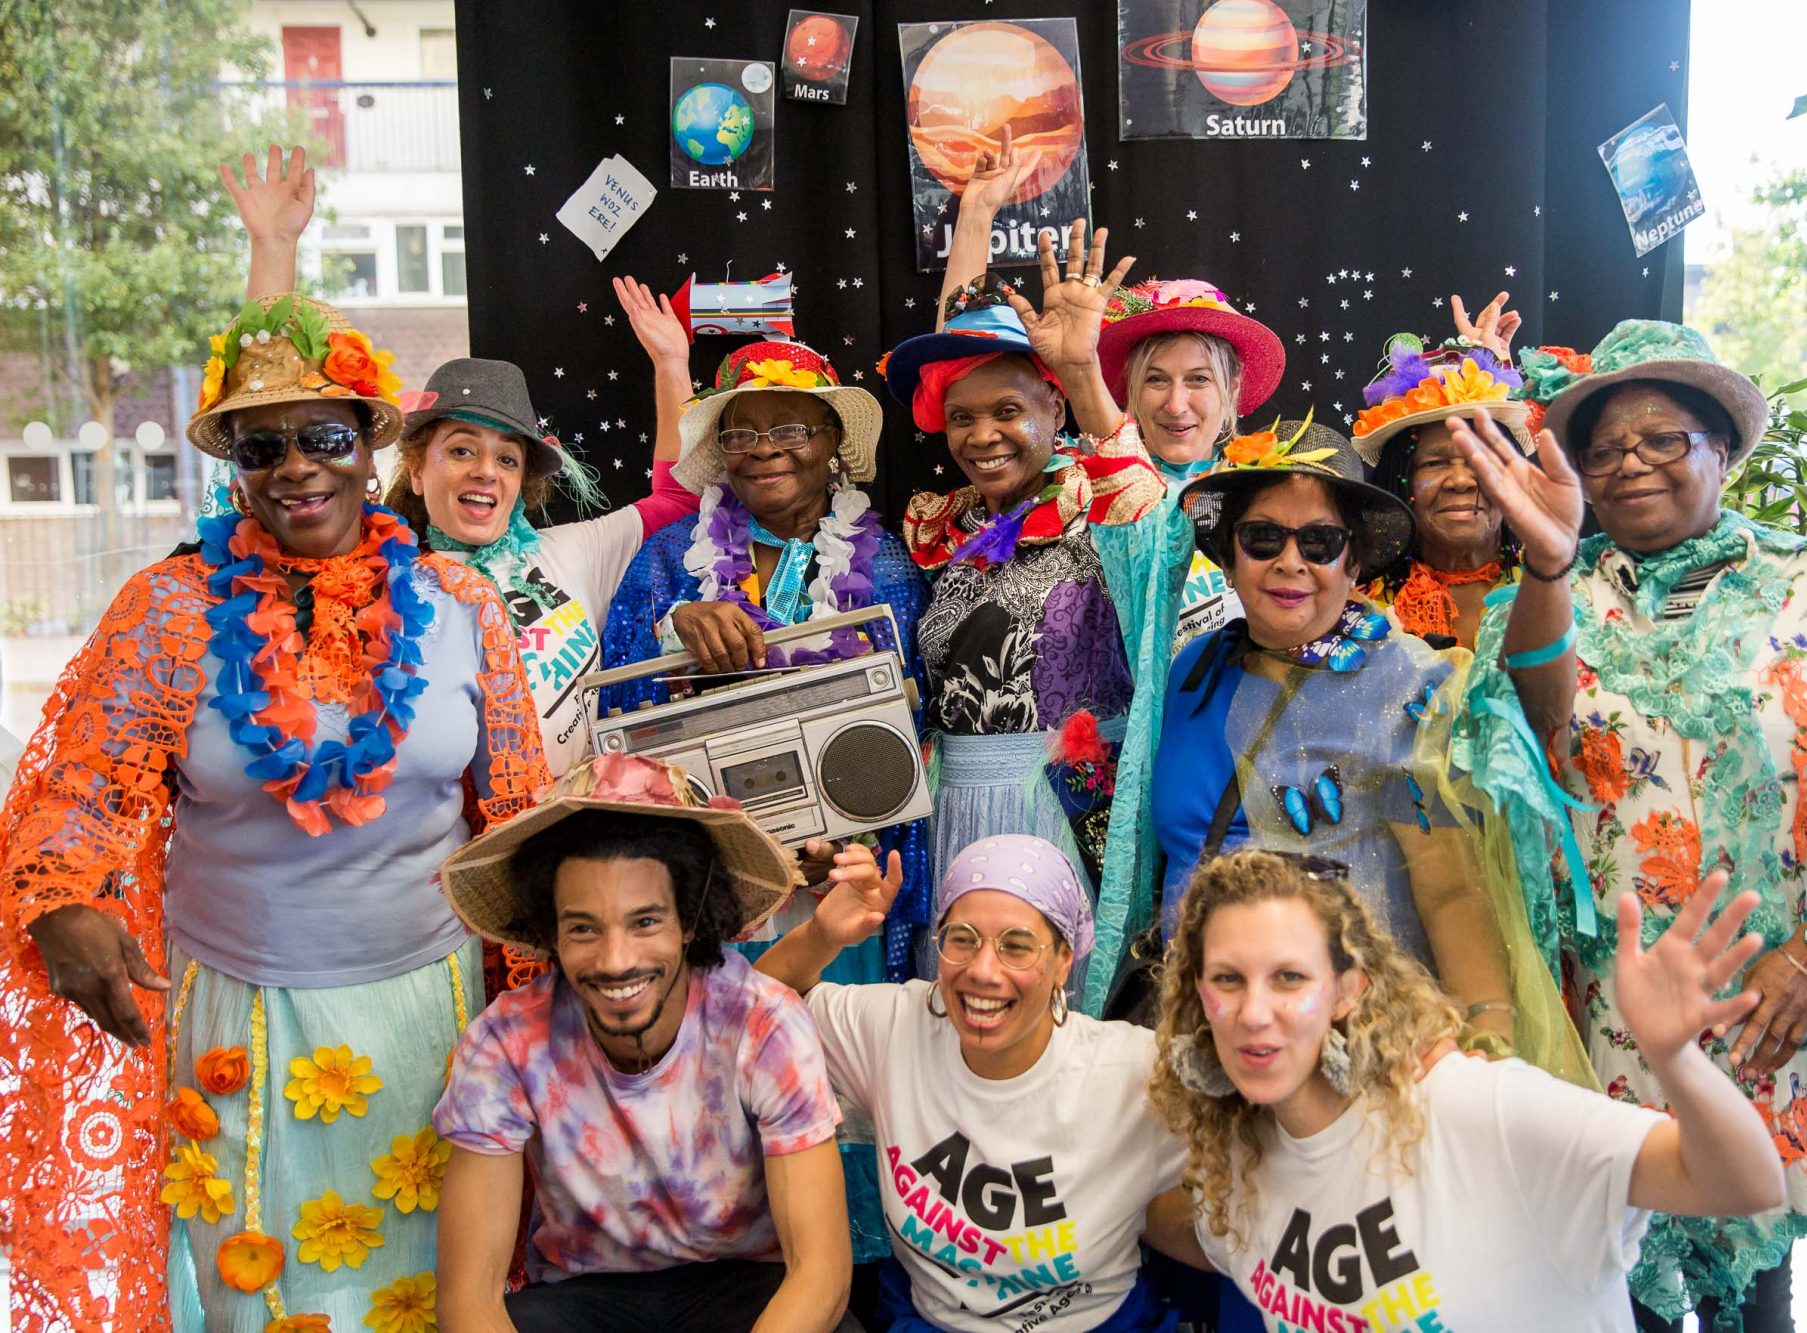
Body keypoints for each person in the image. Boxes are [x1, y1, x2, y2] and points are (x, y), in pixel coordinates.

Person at [0, 292, 551, 1330]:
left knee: (436, 1289)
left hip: (431, 1017)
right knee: (261, 1295)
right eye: (263, 448)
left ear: (369, 449)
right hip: (239, 1015)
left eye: (323, 438)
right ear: (238, 468)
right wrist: (60, 898)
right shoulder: (168, 608)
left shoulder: (460, 605)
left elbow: (515, 812)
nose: (294, 465)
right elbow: (79, 788)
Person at [1449, 320, 1807, 1330]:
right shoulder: (1553, 595)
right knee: (1624, 1258)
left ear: (1719, 450)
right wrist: (1549, 564)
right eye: (1603, 449)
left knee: (1756, 1278)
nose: (1628, 464)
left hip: (1773, 990)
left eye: (1659, 439)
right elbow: (1534, 724)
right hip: (1608, 1003)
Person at [1145, 849, 1787, 1333]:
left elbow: (1745, 1184)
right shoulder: (1241, 1164)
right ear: (1198, 995)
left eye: (1288, 977)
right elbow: (1193, 1229)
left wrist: (1676, 1061)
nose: (1254, 1012)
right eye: (1228, 979)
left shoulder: (1473, 1109)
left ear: (1349, 990)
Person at [225, 144, 702, 773]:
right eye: (461, 450)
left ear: (523, 484)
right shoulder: (369, 570)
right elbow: (271, 435)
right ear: (417, 470)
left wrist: (671, 366)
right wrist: (273, 250)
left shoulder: (569, 555)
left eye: (507, 460)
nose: (486, 470)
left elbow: (679, 502)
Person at [1153, 416, 1595, 1082]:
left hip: (1349, 1054)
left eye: (1321, 541)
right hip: (1206, 1041)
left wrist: (1486, 1051)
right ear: (1230, 551)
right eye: (1263, 537)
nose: (1290, 561)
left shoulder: (1401, 687)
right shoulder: (1193, 668)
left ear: (1354, 562)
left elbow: (1451, 894)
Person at [432, 752, 856, 1333]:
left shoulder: (764, 1022)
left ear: (690, 919)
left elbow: (820, 1272)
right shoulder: (506, 1043)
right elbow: (469, 1301)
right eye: (583, 928)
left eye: (645, 923)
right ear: (549, 930)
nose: (616, 960)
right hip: (581, 1298)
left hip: (745, 1290)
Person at [882, 257, 1183, 1016]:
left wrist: (1084, 370)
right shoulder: (944, 530)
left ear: (1053, 408)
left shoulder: (1101, 502)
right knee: (969, 1014)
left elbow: (1156, 538)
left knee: (1065, 1013)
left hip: (1069, 806)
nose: (983, 435)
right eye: (962, 417)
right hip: (952, 807)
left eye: (1008, 411)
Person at [755, 833, 1192, 1332]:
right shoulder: (896, 1027)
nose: (983, 970)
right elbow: (761, 1011)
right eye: (962, 938)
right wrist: (822, 936)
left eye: (1017, 946)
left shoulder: (1132, 1070)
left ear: (1063, 959)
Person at [597, 338, 933, 985]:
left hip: (830, 893)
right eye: (740, 433)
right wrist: (675, 629)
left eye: (788, 428)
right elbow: (614, 720)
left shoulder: (887, 566)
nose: (764, 448)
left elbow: (910, 742)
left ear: (832, 438)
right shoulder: (671, 558)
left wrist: (845, 844)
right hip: (702, 885)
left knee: (823, 1069)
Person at [936, 129, 1285, 652]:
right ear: (1128, 391)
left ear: (1232, 388)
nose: (1176, 403)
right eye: (1156, 380)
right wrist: (976, 217)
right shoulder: (1076, 483)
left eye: (1198, 379)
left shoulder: (1270, 496)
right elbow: (964, 364)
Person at [1352, 295, 1535, 650]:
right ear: (1398, 480)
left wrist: (1488, 358)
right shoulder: (1359, 605)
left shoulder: (1562, 585)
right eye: (1434, 463)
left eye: (1481, 458)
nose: (1461, 481)